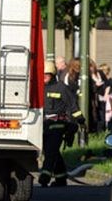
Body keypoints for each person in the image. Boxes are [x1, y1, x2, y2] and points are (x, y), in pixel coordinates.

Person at [39, 60, 85, 188]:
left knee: (50, 151)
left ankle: (45, 176)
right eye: (42, 75)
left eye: (46, 75)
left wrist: (80, 120)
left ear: (53, 75)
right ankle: (61, 178)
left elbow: (72, 106)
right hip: (43, 124)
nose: (44, 78)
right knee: (52, 151)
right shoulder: (39, 88)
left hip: (58, 124)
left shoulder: (62, 88)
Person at [99, 63, 112, 131]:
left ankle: (108, 131)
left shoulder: (111, 81)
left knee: (108, 117)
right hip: (101, 99)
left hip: (108, 101)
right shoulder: (100, 80)